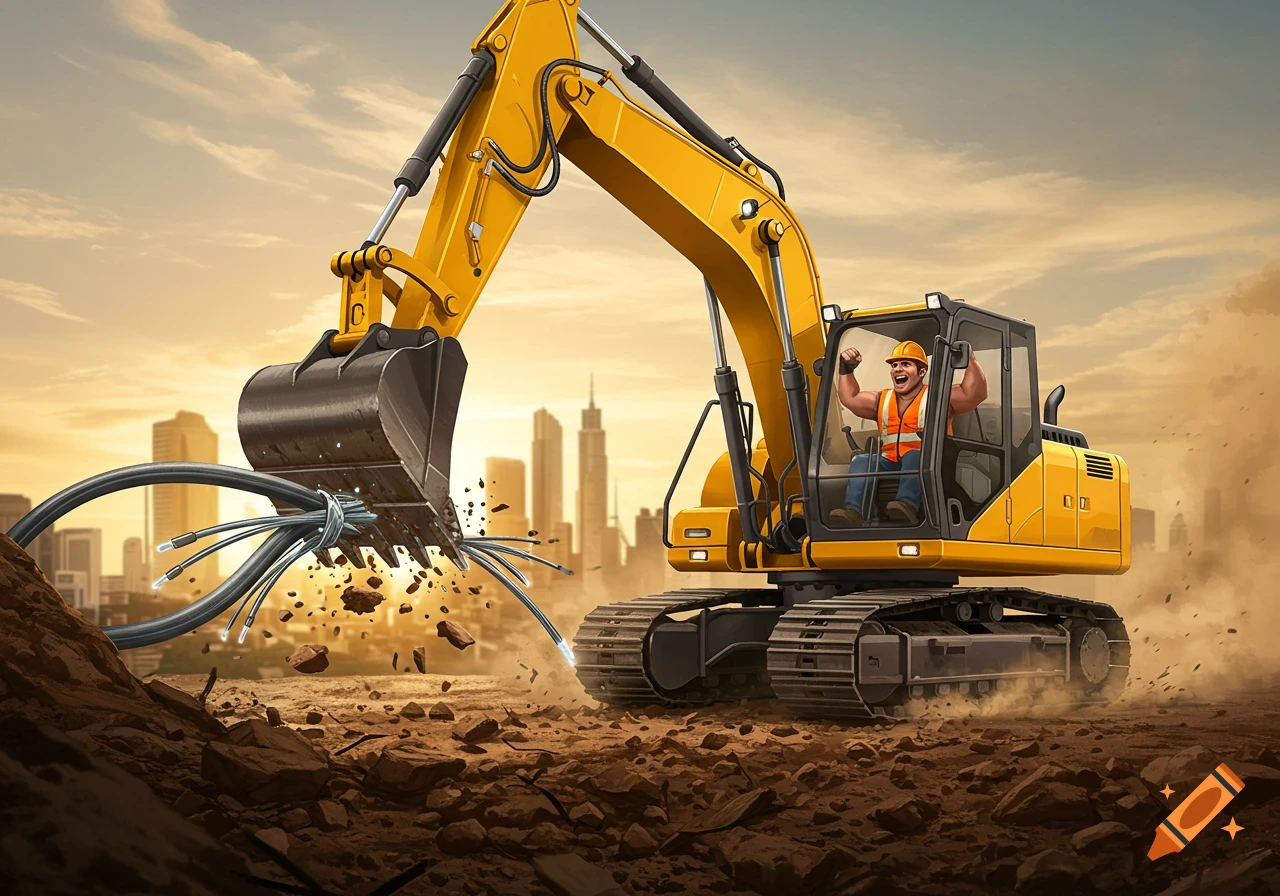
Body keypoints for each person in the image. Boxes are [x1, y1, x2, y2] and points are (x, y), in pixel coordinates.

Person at [829, 339, 986, 527]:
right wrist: (846, 370)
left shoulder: (938, 397)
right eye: (894, 365)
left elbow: (974, 393)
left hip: (927, 462)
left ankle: (906, 506)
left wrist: (969, 358)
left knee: (913, 455)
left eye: (905, 364)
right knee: (862, 461)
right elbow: (850, 398)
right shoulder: (882, 399)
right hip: (889, 461)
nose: (897, 369)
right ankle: (854, 511)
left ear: (921, 372)